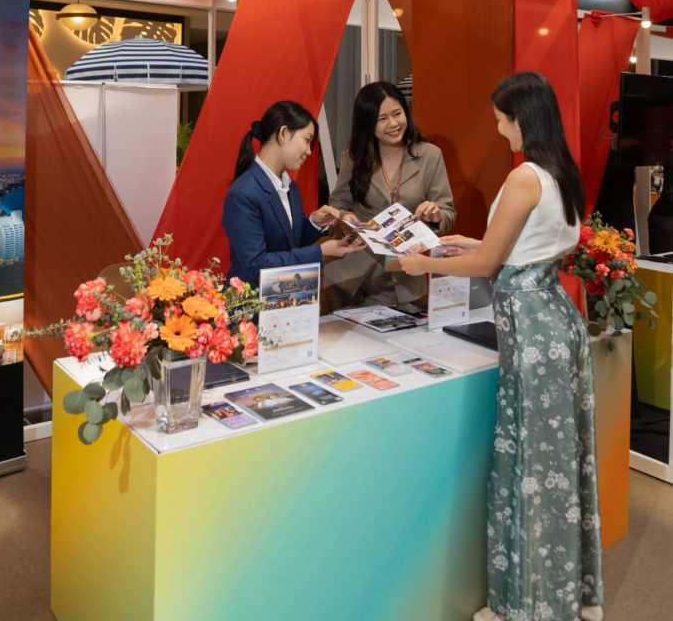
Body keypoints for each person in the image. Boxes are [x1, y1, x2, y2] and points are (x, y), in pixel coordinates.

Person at [401, 71, 604, 621]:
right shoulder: (561, 173)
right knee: (558, 461)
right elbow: (529, 246)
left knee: (532, 464)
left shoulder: (524, 177)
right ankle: (564, 591)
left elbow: (491, 263)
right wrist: (469, 241)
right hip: (557, 323)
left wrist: (422, 263)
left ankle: (532, 602)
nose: (497, 129)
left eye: (500, 119)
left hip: (533, 331)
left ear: (521, 119)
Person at [326, 81, 456, 307]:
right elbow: (337, 204)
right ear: (368, 123)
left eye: (397, 114)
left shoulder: (430, 155)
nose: (393, 124)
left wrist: (436, 215)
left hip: (404, 275)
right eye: (382, 119)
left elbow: (448, 213)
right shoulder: (356, 157)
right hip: (351, 275)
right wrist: (345, 219)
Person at [223, 101, 361, 286]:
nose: (309, 151)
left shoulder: (290, 186)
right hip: (252, 301)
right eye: (306, 140)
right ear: (283, 133)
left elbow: (291, 243)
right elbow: (256, 265)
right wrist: (320, 252)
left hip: (285, 296)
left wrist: (314, 222)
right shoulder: (243, 194)